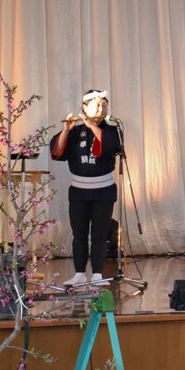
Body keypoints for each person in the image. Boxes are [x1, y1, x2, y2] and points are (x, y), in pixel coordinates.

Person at [50, 89, 122, 286]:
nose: (102, 108)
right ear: (84, 108)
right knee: (79, 234)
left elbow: (108, 147)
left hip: (103, 191)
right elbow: (57, 153)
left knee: (99, 234)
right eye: (97, 105)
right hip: (79, 192)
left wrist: (92, 126)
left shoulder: (112, 130)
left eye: (104, 105)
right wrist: (66, 130)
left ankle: (97, 274)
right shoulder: (74, 131)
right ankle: (79, 273)